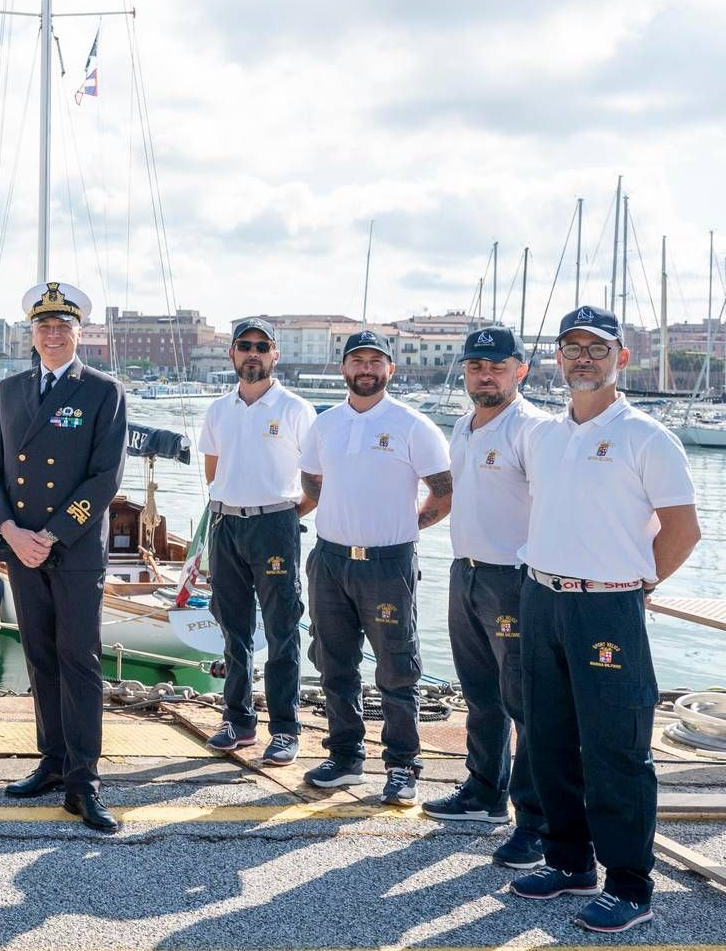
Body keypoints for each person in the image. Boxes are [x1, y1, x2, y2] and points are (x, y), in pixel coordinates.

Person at [505, 306, 701, 934]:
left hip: (606, 605)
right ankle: (569, 861)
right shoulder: (545, 435)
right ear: (557, 359)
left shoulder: (647, 436)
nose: (582, 356)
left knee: (615, 748)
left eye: (596, 347)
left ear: (621, 358)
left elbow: (684, 529)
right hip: (541, 596)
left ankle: (629, 884)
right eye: (571, 347)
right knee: (550, 737)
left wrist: (636, 584)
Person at [0, 281, 127, 833]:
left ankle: (85, 779)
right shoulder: (9, 390)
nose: (53, 334)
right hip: (22, 547)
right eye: (44, 326)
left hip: (75, 548)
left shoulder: (103, 392)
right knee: (39, 655)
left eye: (63, 326)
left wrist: (53, 534)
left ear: (79, 333)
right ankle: (53, 761)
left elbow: (105, 476)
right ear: (31, 334)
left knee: (78, 660)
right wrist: (9, 529)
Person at [297, 329, 451, 804]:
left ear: (390, 369)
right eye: (357, 360)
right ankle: (345, 757)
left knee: (397, 666)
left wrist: (406, 526)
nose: (366, 368)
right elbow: (311, 478)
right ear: (344, 369)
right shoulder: (325, 424)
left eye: (375, 361)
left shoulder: (412, 424)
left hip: (388, 563)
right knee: (332, 661)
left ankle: (403, 764)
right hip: (330, 560)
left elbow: (443, 491)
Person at [422, 325, 548, 869]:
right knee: (480, 693)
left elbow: (556, 504)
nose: (485, 374)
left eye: (497, 366)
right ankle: (483, 792)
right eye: (476, 366)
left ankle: (535, 823)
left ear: (520, 370)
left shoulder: (532, 430)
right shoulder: (463, 425)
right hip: (466, 572)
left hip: (514, 579)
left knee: (528, 706)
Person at [196, 316, 316, 767]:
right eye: (244, 345)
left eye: (261, 346)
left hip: (274, 526)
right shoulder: (218, 410)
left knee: (283, 628)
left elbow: (316, 476)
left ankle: (285, 729)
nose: (252, 353)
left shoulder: (295, 409)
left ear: (275, 355)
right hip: (226, 525)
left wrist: (285, 515)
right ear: (232, 354)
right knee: (233, 627)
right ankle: (238, 720)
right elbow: (213, 471)